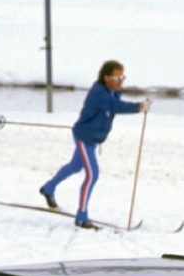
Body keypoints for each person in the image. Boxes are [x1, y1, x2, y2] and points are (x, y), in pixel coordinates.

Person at [39, 60, 150, 229]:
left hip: (93, 139)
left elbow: (115, 104)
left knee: (75, 166)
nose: (120, 81)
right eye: (117, 77)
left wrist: (136, 105)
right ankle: (81, 217)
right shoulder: (99, 93)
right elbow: (115, 106)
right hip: (84, 137)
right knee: (92, 175)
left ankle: (48, 188)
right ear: (106, 78)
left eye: (122, 77)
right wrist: (138, 107)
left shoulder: (113, 91)